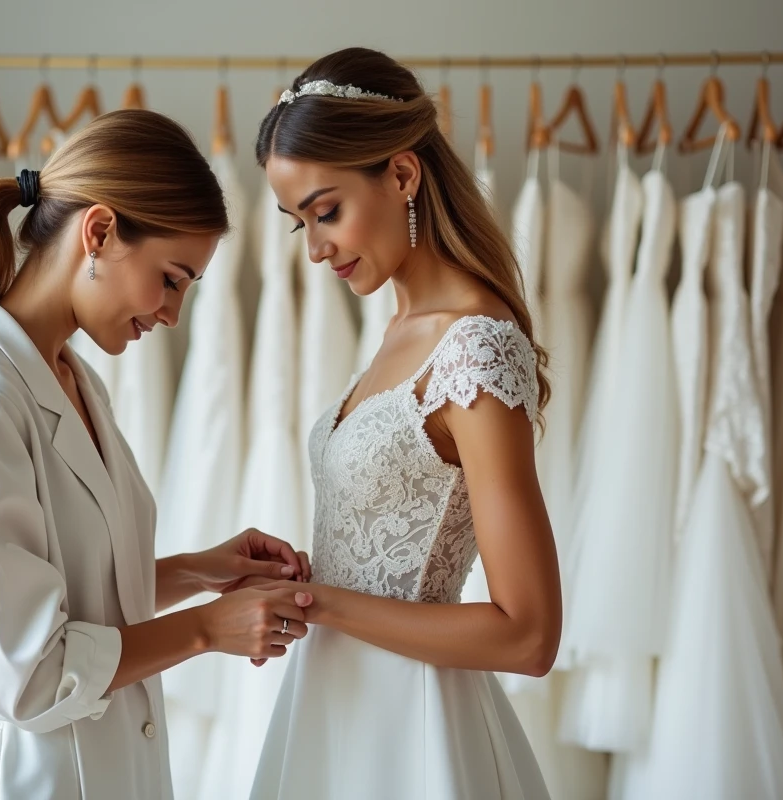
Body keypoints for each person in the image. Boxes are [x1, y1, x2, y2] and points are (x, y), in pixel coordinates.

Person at [0, 110, 313, 800]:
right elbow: (26, 670)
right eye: (171, 279)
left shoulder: (72, 378)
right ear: (100, 232)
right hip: (24, 776)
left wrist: (201, 571)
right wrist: (204, 630)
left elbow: (73, 591)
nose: (172, 314)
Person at [244, 48, 560, 799]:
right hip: (332, 704)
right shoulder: (397, 333)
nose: (315, 248)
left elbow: (529, 634)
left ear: (403, 175)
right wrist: (300, 582)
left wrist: (318, 603)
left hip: (413, 728)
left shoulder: (474, 347)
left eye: (326, 211)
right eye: (298, 224)